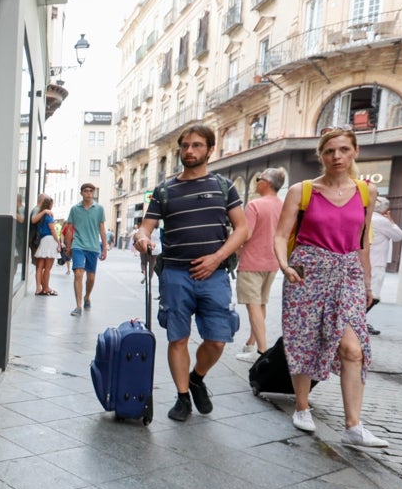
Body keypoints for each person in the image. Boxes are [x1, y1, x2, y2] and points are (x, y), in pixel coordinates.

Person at [272, 128, 387, 448]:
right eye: (330, 151)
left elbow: (362, 241)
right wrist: (284, 264)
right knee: (305, 339)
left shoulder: (367, 193)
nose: (337, 156)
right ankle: (302, 406)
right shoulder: (302, 191)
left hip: (347, 271)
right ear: (320, 155)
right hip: (306, 270)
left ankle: (353, 426)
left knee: (353, 347)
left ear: (355, 152)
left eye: (343, 150)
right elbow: (281, 235)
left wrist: (366, 282)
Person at [135, 124, 247, 422]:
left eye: (197, 145)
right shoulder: (165, 190)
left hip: (215, 275)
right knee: (178, 338)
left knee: (218, 340)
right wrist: (143, 238)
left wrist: (217, 257)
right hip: (174, 274)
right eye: (185, 146)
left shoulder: (223, 186)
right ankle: (183, 396)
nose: (189, 151)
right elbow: (146, 227)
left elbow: (243, 228)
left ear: (211, 149)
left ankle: (197, 377)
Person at [235, 167, 286, 361]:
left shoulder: (255, 205)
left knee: (253, 305)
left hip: (252, 261)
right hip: (272, 261)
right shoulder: (283, 205)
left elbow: (245, 234)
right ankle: (251, 344)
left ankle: (262, 352)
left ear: (266, 183)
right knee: (261, 304)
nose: (256, 182)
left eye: (258, 179)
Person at [64, 183, 107, 317]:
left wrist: (104, 248)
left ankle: (87, 297)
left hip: (93, 247)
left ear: (93, 193)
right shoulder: (75, 209)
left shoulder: (99, 209)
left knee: (91, 277)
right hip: (78, 245)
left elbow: (102, 229)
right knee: (78, 274)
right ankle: (78, 306)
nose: (88, 193)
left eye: (91, 191)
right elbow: (70, 228)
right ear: (81, 193)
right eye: (86, 191)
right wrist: (69, 246)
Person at [365, 196, 402, 336]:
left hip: (366, 261)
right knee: (373, 295)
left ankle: (358, 321)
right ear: (386, 209)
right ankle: (357, 321)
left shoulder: (367, 218)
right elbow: (398, 235)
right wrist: (391, 220)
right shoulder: (382, 221)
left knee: (365, 294)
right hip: (376, 263)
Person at [32, 196, 59, 296]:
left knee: (40, 266)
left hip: (42, 241)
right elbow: (53, 230)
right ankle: (46, 288)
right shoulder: (49, 216)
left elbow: (33, 221)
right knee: (48, 267)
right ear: (50, 205)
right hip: (50, 240)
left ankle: (38, 288)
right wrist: (59, 243)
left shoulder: (41, 215)